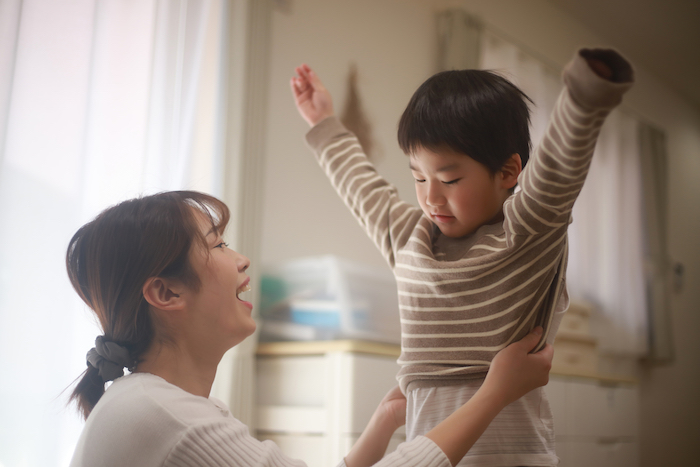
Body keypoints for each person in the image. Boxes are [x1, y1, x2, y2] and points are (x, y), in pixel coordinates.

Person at [290, 48, 634, 466]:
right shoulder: (410, 237)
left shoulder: (527, 231)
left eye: (450, 179)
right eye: (418, 176)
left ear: (508, 172)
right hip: (428, 455)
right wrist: (322, 122)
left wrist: (585, 94)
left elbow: (560, 166)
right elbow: (360, 184)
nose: (431, 197)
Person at [66, 190, 553, 467]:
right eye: (216, 246)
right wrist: (494, 394)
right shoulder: (164, 417)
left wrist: (383, 423)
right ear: (166, 294)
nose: (241, 260)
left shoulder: (163, 406)